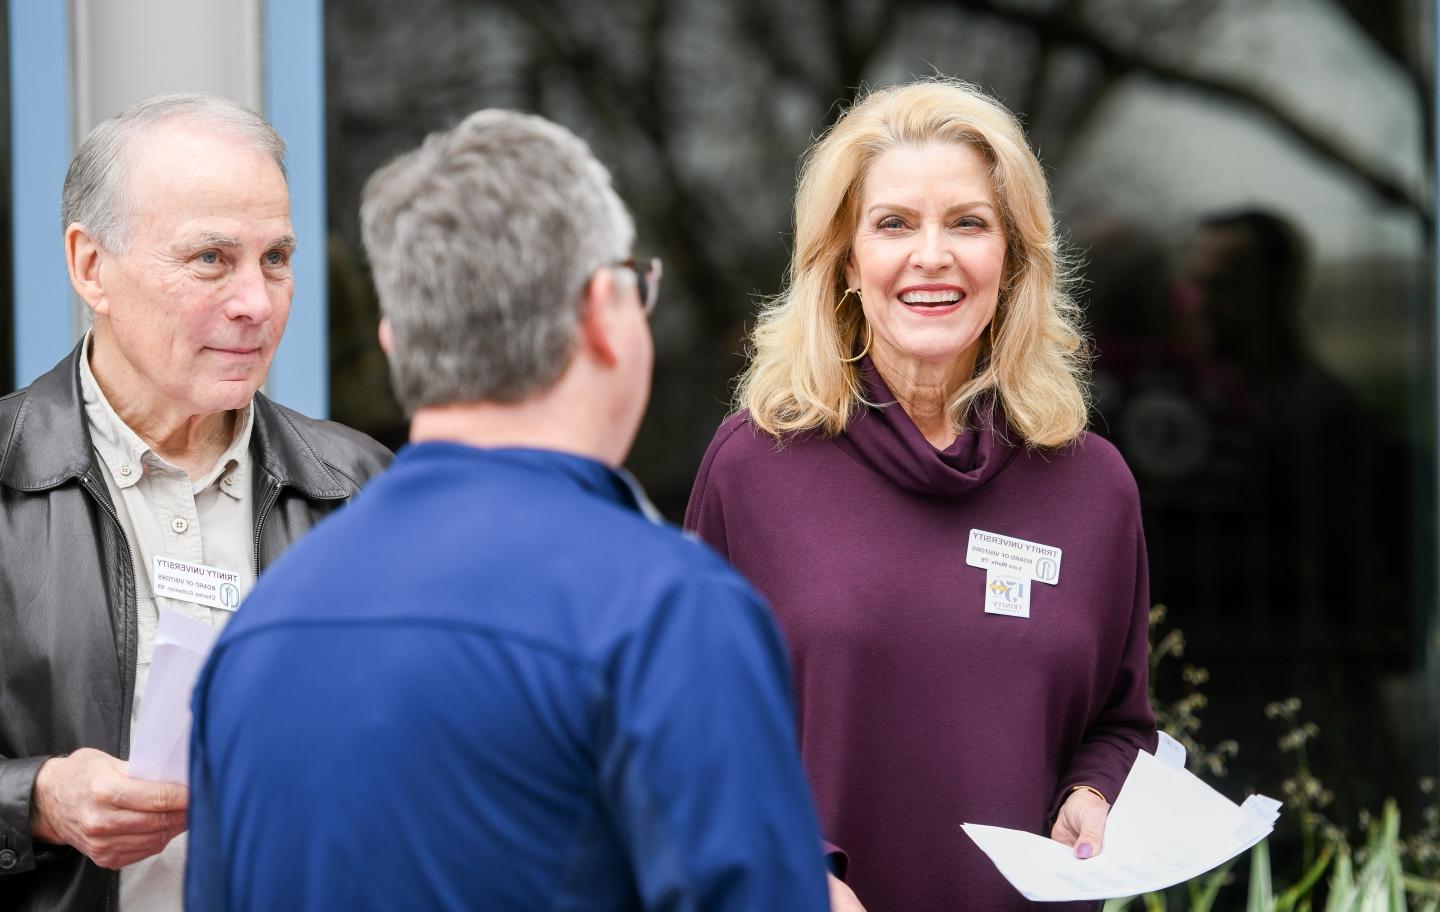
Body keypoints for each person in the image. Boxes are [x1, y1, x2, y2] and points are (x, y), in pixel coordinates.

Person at [185, 109, 831, 911]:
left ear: (395, 341)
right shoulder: (664, 612)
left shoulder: (256, 634)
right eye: (639, 284)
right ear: (605, 310)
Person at [685, 80, 1156, 912]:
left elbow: (1119, 725)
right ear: (842, 259)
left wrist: (1094, 794)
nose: (931, 255)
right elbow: (693, 734)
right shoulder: (756, 468)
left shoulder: (1092, 486)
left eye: (968, 223)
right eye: (894, 223)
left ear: (1012, 258)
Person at [0, 94, 391, 912]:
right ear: (90, 266)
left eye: (276, 258)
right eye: (211, 258)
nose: (257, 300)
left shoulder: (364, 492)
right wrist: (35, 801)